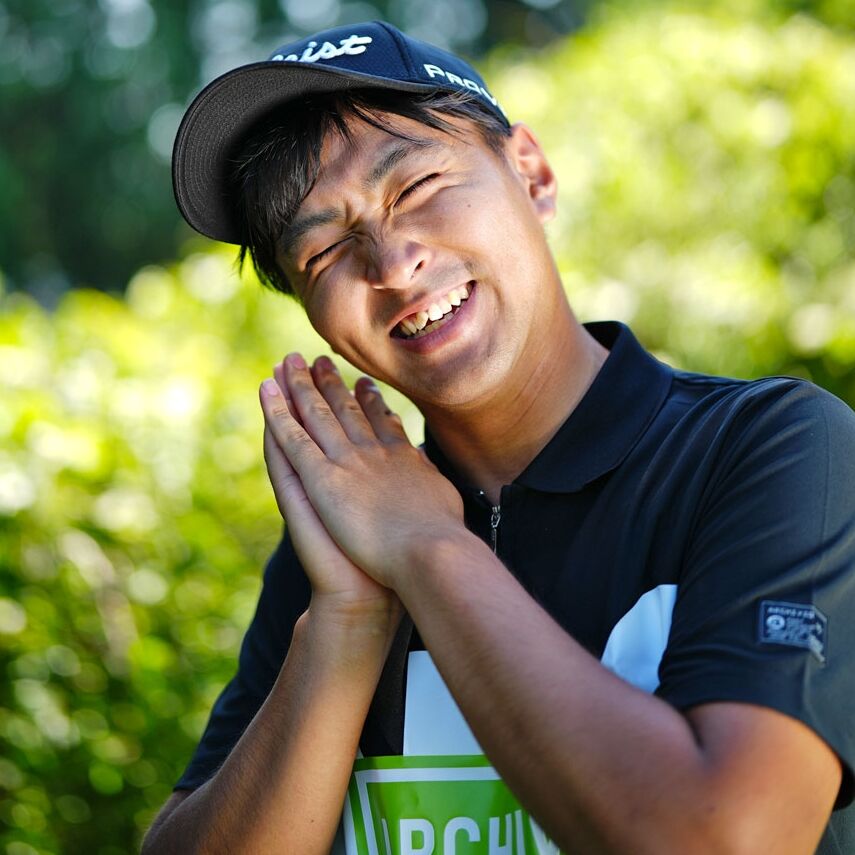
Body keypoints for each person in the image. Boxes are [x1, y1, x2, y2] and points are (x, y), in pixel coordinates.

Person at [143, 21, 855, 855]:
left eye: (416, 186)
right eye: (326, 248)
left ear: (532, 174)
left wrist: (426, 548)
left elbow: (727, 837)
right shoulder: (342, 542)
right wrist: (346, 617)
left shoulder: (771, 449)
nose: (392, 264)